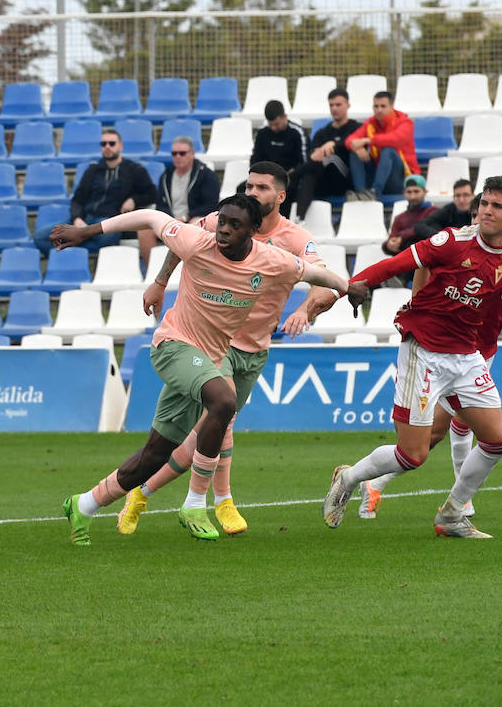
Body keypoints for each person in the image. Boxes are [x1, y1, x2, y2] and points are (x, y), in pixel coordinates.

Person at [51, 194, 348, 545]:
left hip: (207, 360)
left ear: (253, 231)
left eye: (234, 225)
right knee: (224, 401)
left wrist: (351, 289)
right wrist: (87, 233)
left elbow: (319, 274)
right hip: (173, 345)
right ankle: (196, 503)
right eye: (222, 221)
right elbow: (150, 216)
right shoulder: (195, 241)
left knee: (154, 455)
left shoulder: (273, 260)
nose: (223, 229)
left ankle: (83, 505)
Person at [321, 177, 502, 538]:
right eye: (484, 203)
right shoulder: (452, 241)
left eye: (497, 206)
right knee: (414, 455)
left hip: (467, 356)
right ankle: (348, 477)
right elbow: (397, 264)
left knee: (497, 442)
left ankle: (451, 514)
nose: (487, 210)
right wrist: (351, 285)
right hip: (424, 352)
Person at [32, 127, 155, 253]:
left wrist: (133, 200)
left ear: (121, 146)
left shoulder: (134, 170)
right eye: (103, 144)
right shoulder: (93, 170)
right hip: (85, 220)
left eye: (112, 143)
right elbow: (77, 200)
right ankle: (77, 251)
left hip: (108, 222)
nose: (107, 147)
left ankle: (76, 246)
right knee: (40, 237)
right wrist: (77, 219)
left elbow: (152, 193)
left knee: (109, 237)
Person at [286, 88, 361, 218]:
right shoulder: (322, 132)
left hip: (345, 181)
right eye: (331, 105)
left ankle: (287, 177)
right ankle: (299, 219)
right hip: (324, 181)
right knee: (309, 174)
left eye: (338, 104)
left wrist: (333, 144)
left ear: (348, 106)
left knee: (330, 158)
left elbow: (354, 142)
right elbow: (312, 154)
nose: (334, 108)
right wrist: (318, 153)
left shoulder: (356, 127)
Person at [139, 136, 219, 255]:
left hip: (193, 219)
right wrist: (170, 219)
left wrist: (186, 217)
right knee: (144, 230)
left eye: (182, 153)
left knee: (194, 225)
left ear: (191, 154)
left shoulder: (206, 175)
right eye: (174, 153)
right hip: (170, 220)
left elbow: (211, 205)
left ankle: (189, 270)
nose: (177, 157)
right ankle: (152, 270)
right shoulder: (166, 176)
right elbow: (160, 205)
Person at [346, 90, 418, 200]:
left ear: (392, 106)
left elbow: (395, 139)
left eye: (383, 106)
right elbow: (350, 140)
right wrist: (356, 148)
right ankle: (360, 193)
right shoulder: (370, 123)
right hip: (377, 173)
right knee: (354, 152)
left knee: (388, 150)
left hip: (400, 178)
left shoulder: (406, 123)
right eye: (376, 106)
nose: (379, 110)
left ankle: (374, 192)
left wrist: (368, 141)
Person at [383, 174, 437, 257]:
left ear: (425, 192)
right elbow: (392, 238)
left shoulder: (432, 212)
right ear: (404, 193)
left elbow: (424, 231)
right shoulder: (399, 218)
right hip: (403, 261)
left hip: (425, 260)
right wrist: (389, 245)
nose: (412, 196)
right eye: (409, 192)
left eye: (416, 191)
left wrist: (402, 237)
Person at [250, 100, 306, 178]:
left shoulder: (297, 132)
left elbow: (303, 162)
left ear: (285, 117)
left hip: (291, 178)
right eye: (270, 124)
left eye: (276, 124)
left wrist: (288, 175)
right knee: (242, 188)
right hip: (266, 178)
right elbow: (255, 159)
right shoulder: (261, 133)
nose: (273, 128)